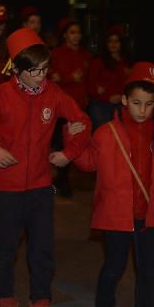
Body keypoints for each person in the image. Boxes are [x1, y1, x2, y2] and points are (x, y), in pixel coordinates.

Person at [0, 28, 91, 307]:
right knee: (4, 251)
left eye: (44, 70)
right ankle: (5, 305)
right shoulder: (1, 95)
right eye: (33, 71)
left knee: (42, 251)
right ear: (16, 70)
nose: (40, 77)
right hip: (5, 188)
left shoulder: (54, 94)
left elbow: (81, 122)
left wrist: (68, 153)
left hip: (41, 187)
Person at [74, 63, 154, 307]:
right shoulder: (107, 133)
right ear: (123, 100)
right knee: (115, 264)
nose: (142, 110)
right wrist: (73, 136)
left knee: (147, 270)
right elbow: (87, 162)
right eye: (136, 103)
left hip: (148, 213)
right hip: (117, 214)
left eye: (148, 104)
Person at [49, 18, 91, 198]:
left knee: (77, 142)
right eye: (72, 32)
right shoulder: (57, 53)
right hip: (62, 107)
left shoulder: (85, 54)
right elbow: (54, 79)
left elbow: (89, 79)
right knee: (61, 143)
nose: (76, 36)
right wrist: (70, 77)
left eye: (78, 32)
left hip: (80, 106)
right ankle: (61, 179)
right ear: (65, 34)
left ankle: (63, 178)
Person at [86, 25, 130, 130]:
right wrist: (107, 97)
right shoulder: (98, 61)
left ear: (121, 43)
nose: (113, 44)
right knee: (105, 130)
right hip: (101, 103)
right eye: (110, 41)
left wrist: (121, 96)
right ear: (106, 44)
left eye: (117, 41)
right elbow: (90, 87)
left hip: (121, 103)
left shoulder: (126, 62)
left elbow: (129, 86)